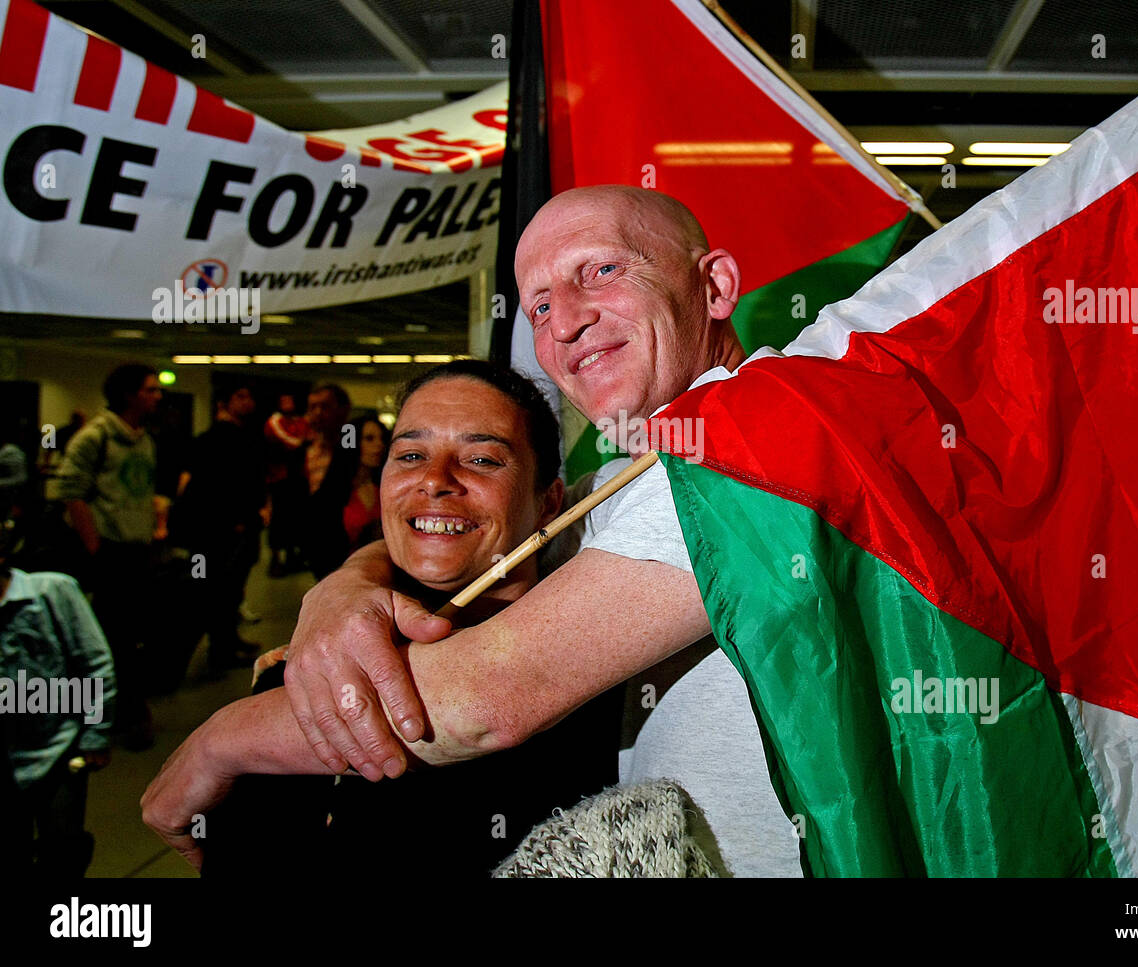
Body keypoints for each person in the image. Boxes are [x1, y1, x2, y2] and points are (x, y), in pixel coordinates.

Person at [143, 186, 800, 876]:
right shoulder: (637, 478)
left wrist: (220, 740)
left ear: (716, 284)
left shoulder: (749, 443)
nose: (566, 322)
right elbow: (489, 525)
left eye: (601, 270)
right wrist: (347, 586)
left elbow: (493, 695)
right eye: (540, 305)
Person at [199, 360, 621, 877]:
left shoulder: (614, 664)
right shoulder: (310, 671)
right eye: (412, 455)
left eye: (484, 459)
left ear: (549, 502)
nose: (434, 480)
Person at [0, 500, 116, 877]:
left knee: (62, 850)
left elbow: (95, 664)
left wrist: (96, 734)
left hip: (59, 751)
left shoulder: (53, 591)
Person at [55, 363, 161, 750]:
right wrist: (95, 545)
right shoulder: (95, 437)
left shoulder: (145, 439)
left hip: (137, 550)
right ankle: (113, 716)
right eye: (150, 390)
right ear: (130, 394)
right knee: (110, 639)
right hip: (108, 552)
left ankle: (125, 711)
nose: (157, 396)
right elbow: (70, 490)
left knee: (132, 635)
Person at [171, 384, 269, 675]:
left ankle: (227, 641)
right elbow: (205, 485)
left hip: (239, 526)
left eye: (249, 395)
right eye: (240, 396)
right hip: (219, 529)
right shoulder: (213, 440)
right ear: (224, 403)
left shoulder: (247, 438)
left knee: (231, 587)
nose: (247, 402)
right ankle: (219, 650)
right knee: (217, 589)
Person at [300, 383, 356, 580]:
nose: (317, 413)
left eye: (324, 407)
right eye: (312, 407)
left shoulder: (353, 448)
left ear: (342, 409)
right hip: (314, 540)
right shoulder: (303, 451)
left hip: (349, 541)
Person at [264, 394, 309, 577]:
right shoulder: (274, 422)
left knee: (295, 520)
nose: (288, 404)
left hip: (297, 479)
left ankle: (292, 557)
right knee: (277, 522)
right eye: (284, 401)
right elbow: (294, 442)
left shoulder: (300, 422)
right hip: (279, 479)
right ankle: (275, 560)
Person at [341, 416, 389, 552]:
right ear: (353, 443)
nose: (379, 444)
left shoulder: (384, 486)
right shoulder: (337, 490)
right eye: (369, 439)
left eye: (382, 439)